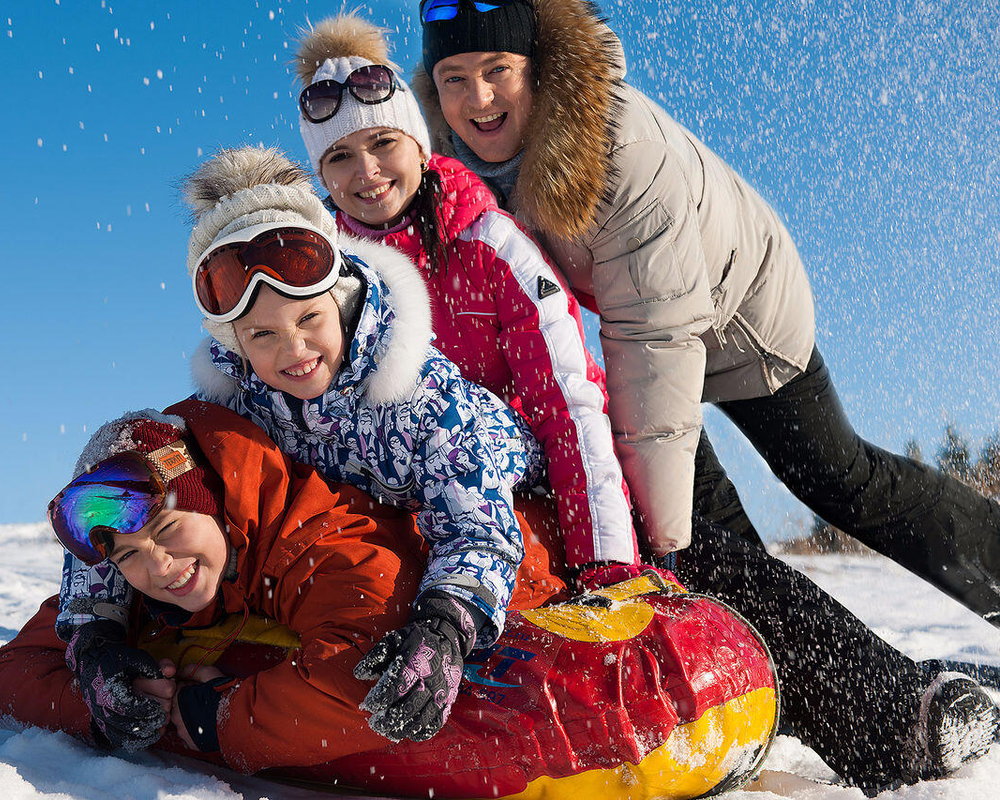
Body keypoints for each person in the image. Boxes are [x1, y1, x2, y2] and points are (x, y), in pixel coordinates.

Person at [411, 0, 1000, 627]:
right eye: (455, 77)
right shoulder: (444, 164)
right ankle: (782, 665)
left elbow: (653, 335)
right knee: (702, 520)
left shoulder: (613, 149)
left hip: (741, 313)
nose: (478, 98)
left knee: (835, 479)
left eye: (498, 68)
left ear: (537, 66)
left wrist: (654, 550)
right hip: (638, 322)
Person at [0, 400, 780, 797]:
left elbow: (355, 682)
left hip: (532, 567)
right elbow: (12, 669)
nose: (156, 565)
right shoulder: (138, 588)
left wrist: (196, 722)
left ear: (212, 496)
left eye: (166, 526)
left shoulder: (315, 536)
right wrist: (98, 674)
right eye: (127, 555)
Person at [57, 144, 573, 746]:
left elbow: (478, 526)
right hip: (354, 564)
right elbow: (125, 495)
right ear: (235, 343)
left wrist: (444, 624)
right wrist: (94, 636)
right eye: (263, 335)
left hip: (507, 538)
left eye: (308, 320)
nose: (293, 351)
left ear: (342, 295)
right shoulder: (236, 402)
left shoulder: (423, 402)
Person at [291, 11, 644, 591]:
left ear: (420, 146)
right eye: (339, 157)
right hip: (393, 521)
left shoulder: (487, 243)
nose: (368, 171)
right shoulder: (320, 274)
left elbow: (566, 403)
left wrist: (601, 557)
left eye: (383, 142)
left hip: (521, 500)